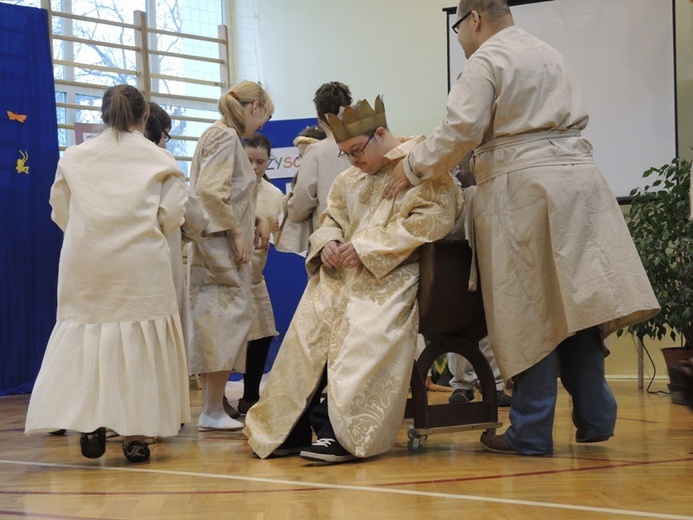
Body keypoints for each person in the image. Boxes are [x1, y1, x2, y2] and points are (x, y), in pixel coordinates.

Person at [385, 0, 660, 455]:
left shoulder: (487, 59)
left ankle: (530, 430)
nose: (458, 39)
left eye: (457, 28)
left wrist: (412, 168)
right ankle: (596, 415)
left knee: (529, 307)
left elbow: (460, 128)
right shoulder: (551, 53)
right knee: (577, 305)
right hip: (581, 183)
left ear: (473, 19)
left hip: (524, 188)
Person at [245, 96, 462, 464]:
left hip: (390, 278)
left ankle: (339, 434)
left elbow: (434, 219)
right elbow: (331, 219)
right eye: (346, 154)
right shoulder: (348, 179)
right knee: (305, 334)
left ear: (380, 133)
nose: (353, 161)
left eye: (357, 150)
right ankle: (291, 429)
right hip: (340, 277)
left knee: (362, 333)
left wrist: (364, 246)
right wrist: (327, 242)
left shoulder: (422, 165)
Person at [24, 84, 190, 463]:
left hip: (86, 262)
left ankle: (90, 420)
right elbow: (171, 216)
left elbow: (59, 210)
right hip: (140, 264)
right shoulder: (160, 160)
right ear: (144, 117)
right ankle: (135, 435)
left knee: (88, 339)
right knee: (139, 345)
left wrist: (91, 234)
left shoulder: (75, 157)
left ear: (102, 116)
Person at [187, 81, 273, 432]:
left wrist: (251, 217)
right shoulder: (224, 138)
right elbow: (210, 193)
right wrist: (237, 231)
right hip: (220, 247)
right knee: (224, 324)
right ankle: (211, 409)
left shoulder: (215, 135)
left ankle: (211, 406)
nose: (264, 122)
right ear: (254, 108)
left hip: (212, 245)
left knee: (216, 324)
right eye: (265, 114)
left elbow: (226, 194)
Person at [235, 133, 284, 414]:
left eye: (261, 162)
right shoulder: (227, 189)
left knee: (263, 332)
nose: (254, 167)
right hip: (226, 274)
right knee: (226, 338)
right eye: (249, 160)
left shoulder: (274, 195)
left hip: (254, 275)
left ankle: (249, 396)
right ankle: (215, 403)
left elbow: (283, 232)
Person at [285, 82, 352, 253]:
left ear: (318, 116)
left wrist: (290, 206)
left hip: (329, 244)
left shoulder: (316, 151)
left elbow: (300, 204)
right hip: (363, 240)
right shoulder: (367, 146)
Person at [276, 125, 327, 255]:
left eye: (309, 156)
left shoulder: (311, 175)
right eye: (301, 156)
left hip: (323, 238)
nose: (305, 161)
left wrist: (291, 206)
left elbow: (299, 206)